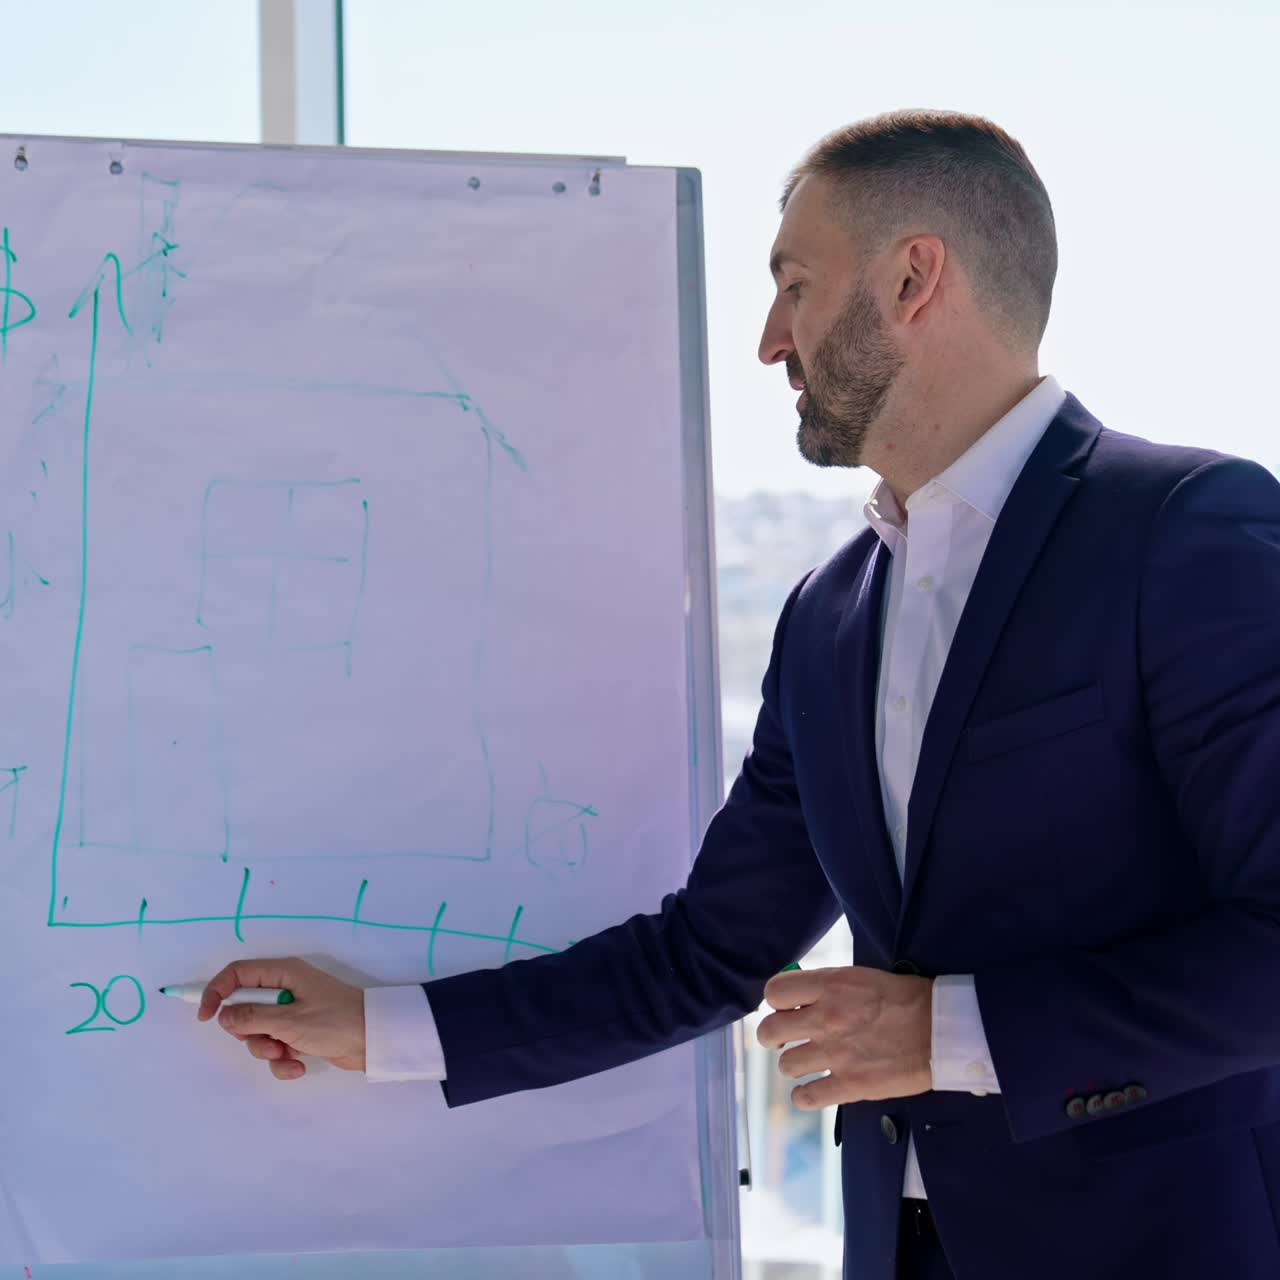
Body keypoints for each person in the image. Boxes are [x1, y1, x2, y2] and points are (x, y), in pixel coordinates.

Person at [198, 109, 1280, 1280]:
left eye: (795, 285)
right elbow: (705, 951)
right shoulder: (827, 614)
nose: (770, 339)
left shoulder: (1183, 531)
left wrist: (946, 1030)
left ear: (914, 277)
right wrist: (377, 1027)